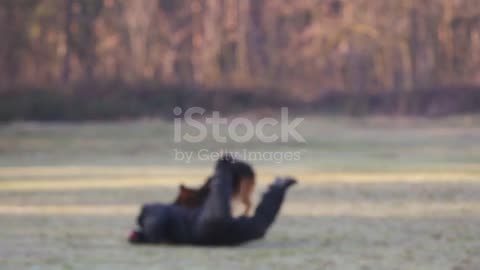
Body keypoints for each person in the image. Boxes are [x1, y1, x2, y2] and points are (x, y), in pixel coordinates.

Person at [128, 155, 297, 246]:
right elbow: (154, 223)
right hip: (206, 229)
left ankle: (277, 188)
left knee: (257, 229)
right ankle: (274, 187)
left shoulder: (156, 211)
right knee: (224, 164)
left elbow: (155, 223)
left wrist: (155, 240)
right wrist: (156, 240)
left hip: (216, 234)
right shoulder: (153, 211)